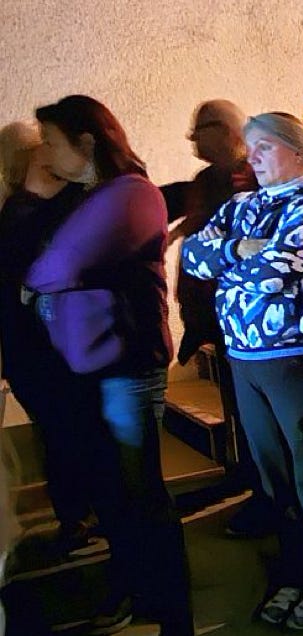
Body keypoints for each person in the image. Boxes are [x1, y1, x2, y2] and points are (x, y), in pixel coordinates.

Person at [182, 112, 303, 630]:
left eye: (264, 147)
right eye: (249, 147)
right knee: (272, 475)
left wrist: (229, 266)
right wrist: (237, 248)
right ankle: (294, 571)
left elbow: (275, 272)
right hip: (244, 357)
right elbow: (192, 257)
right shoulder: (242, 205)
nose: (251, 157)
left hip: (298, 357)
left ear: (299, 152)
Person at [26, 94, 193, 635]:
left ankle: (171, 612)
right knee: (116, 489)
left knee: (139, 490)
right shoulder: (90, 194)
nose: (45, 153)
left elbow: (56, 265)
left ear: (87, 141)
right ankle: (138, 593)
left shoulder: (129, 193)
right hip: (97, 361)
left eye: (51, 141)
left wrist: (38, 283)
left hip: (126, 361)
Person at [161, 99, 274, 540]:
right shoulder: (207, 180)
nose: (192, 139)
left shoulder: (253, 174)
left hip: (253, 320)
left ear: (227, 130)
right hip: (215, 318)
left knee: (258, 418)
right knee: (237, 411)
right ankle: (244, 475)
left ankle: (266, 496)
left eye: (200, 129)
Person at [0, 121, 93, 557]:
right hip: (41, 348)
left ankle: (78, 517)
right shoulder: (22, 213)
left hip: (48, 347)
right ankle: (76, 517)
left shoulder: (39, 207)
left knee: (62, 435)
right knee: (61, 435)